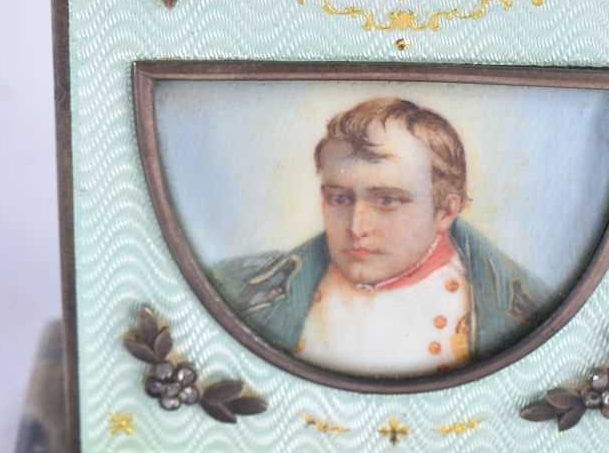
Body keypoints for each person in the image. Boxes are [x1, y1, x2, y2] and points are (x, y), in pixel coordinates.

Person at [210, 96, 549, 378]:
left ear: (445, 211)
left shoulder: (524, 311)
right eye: (339, 199)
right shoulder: (239, 289)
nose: (356, 227)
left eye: (387, 200)